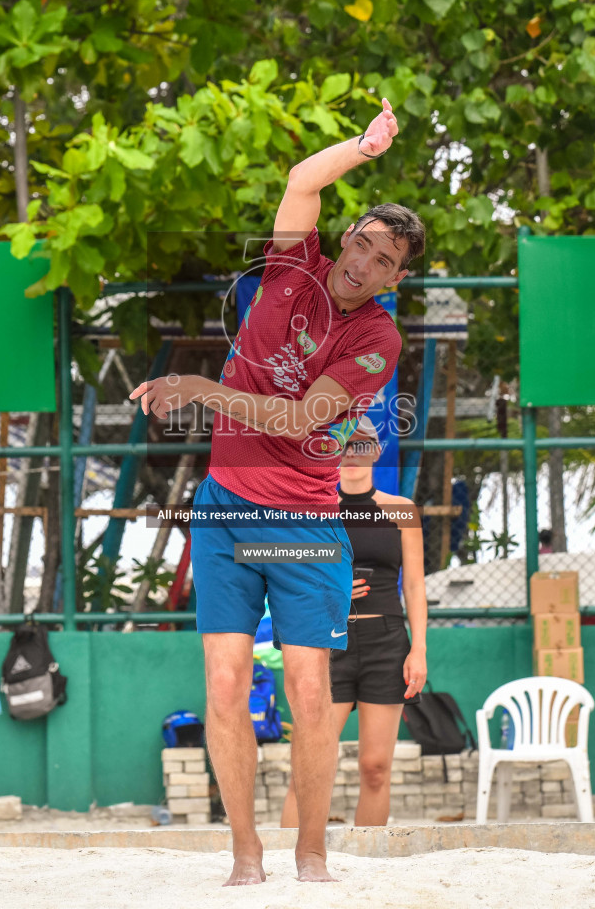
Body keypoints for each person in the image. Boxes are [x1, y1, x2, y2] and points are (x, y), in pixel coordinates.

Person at [130, 99, 423, 884]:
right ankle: (245, 854)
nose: (363, 262)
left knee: (307, 687)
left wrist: (199, 386)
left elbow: (301, 419)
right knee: (224, 682)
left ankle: (312, 853)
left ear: (397, 278)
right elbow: (302, 179)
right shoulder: (293, 267)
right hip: (227, 508)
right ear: (348, 237)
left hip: (298, 521)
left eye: (384, 261)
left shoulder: (377, 338)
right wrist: (363, 148)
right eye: (361, 242)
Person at [279, 423, 426, 828]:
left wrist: (419, 649)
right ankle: (291, 861)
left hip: (387, 644)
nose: (351, 453)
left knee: (375, 768)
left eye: (361, 445)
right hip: (328, 644)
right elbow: (290, 576)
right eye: (342, 445)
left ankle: (369, 866)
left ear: (376, 451)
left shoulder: (401, 509)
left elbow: (414, 585)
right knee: (309, 766)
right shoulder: (311, 508)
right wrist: (332, 591)